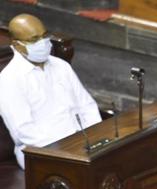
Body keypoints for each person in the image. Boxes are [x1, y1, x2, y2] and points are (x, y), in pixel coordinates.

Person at [0, 14, 101, 169]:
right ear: (17, 44)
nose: (43, 42)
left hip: (82, 145)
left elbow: (87, 106)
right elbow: (25, 133)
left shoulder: (61, 66)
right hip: (42, 154)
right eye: (34, 39)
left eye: (44, 35)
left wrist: (96, 137)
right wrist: (67, 150)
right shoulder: (9, 79)